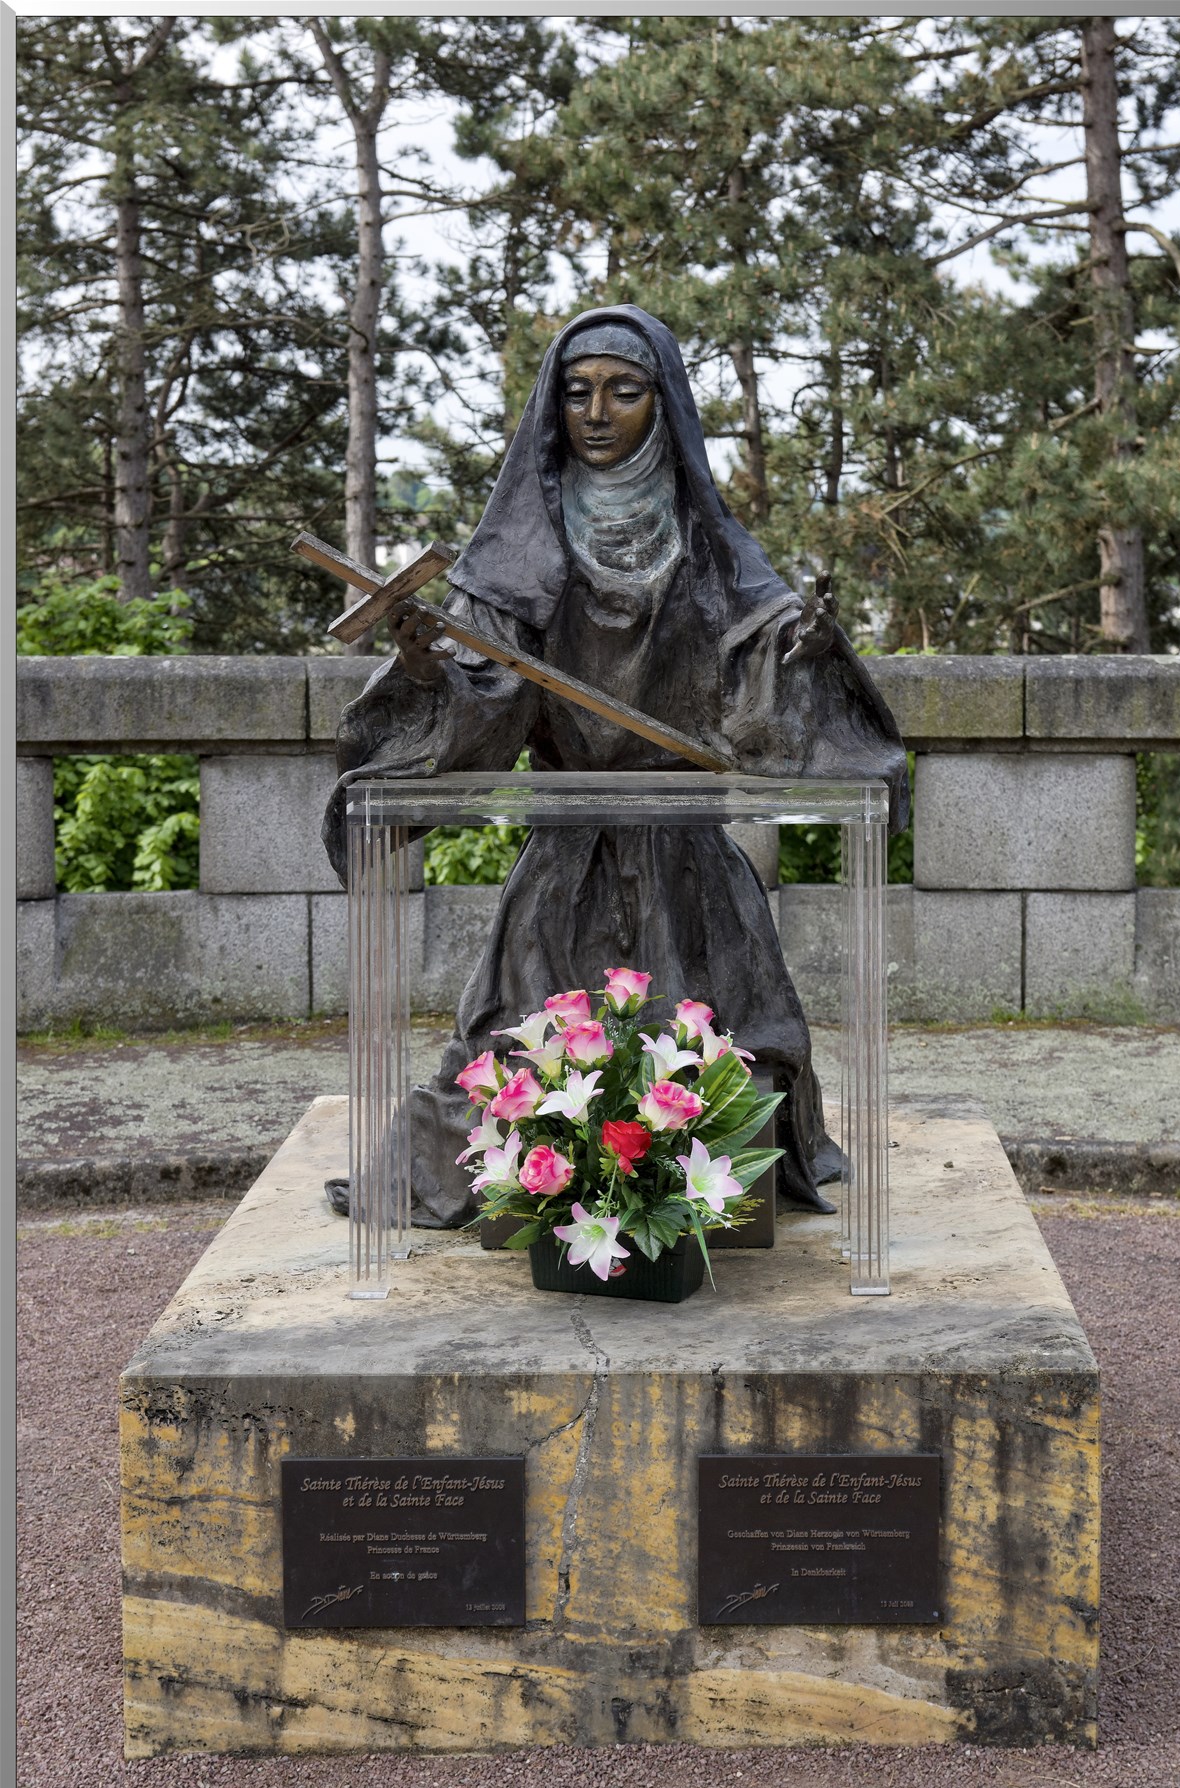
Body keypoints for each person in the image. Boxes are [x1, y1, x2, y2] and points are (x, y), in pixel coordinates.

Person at [322, 305, 908, 1228]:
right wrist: (434, 667)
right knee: (523, 1058)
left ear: (662, 404)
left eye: (624, 391)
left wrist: (799, 655)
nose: (597, 411)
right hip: (566, 857)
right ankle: (550, 1195)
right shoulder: (517, 549)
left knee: (710, 1057)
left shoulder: (710, 548)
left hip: (689, 866)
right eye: (577, 391)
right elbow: (487, 692)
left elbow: (759, 662)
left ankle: (687, 1212)